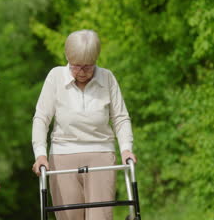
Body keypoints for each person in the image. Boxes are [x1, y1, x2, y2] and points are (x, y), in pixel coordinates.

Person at [31, 29, 137, 220]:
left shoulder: (107, 78)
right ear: (67, 58)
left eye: (88, 67)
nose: (81, 72)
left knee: (101, 217)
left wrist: (126, 149)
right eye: (76, 66)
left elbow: (120, 118)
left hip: (101, 156)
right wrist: (40, 154)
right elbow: (41, 118)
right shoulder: (55, 77)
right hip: (63, 156)